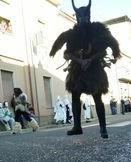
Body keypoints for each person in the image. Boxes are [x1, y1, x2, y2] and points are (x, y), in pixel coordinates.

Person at [49, 0, 121, 138]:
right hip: (77, 70)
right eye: (79, 16)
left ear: (89, 16)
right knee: (75, 96)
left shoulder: (98, 31)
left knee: (97, 97)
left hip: (94, 69)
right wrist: (79, 60)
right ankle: (77, 126)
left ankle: (103, 128)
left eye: (85, 16)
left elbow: (104, 51)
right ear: (76, 17)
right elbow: (66, 53)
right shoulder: (72, 34)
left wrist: (90, 59)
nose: (82, 19)